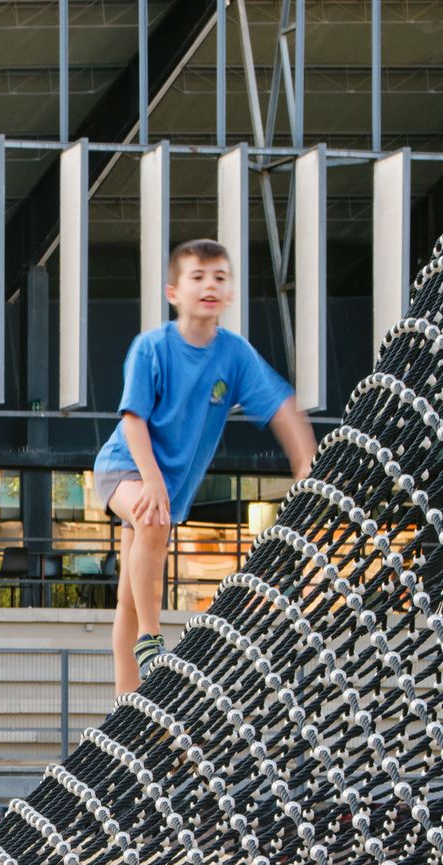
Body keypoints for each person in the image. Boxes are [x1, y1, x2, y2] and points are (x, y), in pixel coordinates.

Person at [93, 240, 315, 695]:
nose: (209, 285)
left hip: (167, 486)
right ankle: (151, 640)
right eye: (197, 277)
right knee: (152, 519)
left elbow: (282, 406)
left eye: (219, 277)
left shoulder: (233, 355)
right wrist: (152, 482)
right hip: (125, 465)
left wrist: (304, 462)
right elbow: (133, 420)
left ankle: (125, 705)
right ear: (173, 292)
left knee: (129, 598)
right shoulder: (152, 347)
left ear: (229, 293)